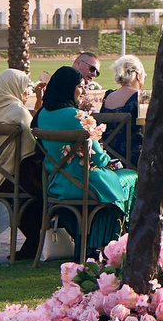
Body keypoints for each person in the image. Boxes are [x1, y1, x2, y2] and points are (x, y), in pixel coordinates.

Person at [36, 64, 136, 258]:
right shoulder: (75, 116)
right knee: (130, 177)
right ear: (67, 87)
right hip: (82, 183)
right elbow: (99, 158)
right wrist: (110, 162)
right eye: (79, 86)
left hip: (55, 184)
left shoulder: (41, 115)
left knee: (112, 183)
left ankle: (95, 245)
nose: (82, 91)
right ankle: (107, 245)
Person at [0, 67, 42, 257]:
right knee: (53, 188)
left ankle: (34, 244)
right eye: (24, 88)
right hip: (16, 179)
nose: (26, 93)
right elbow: (33, 147)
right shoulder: (18, 113)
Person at [98, 53, 145, 161]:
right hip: (133, 158)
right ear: (138, 75)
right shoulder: (139, 98)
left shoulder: (108, 96)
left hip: (108, 157)